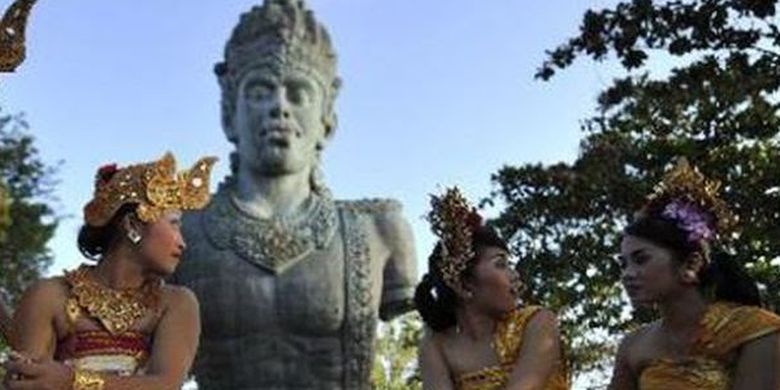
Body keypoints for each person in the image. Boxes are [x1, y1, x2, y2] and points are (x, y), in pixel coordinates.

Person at [169, 1, 418, 388]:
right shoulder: (181, 235)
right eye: (259, 92)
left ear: (327, 117)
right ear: (228, 113)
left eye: (298, 93)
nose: (278, 108)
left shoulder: (381, 231)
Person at [3, 152, 217, 390]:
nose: (182, 243)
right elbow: (26, 383)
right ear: (132, 225)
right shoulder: (49, 296)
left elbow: (165, 385)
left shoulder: (176, 303)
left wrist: (72, 381)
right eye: (174, 224)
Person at [609, 159, 780, 389]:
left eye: (641, 259)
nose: (627, 274)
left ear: (691, 264)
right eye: (624, 264)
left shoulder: (755, 329)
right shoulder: (633, 345)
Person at [415, 187, 569, 390]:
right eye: (500, 264)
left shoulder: (537, 323)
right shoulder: (436, 345)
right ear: (463, 285)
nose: (515, 275)